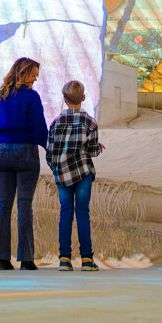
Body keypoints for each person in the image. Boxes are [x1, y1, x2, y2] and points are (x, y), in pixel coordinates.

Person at [0, 56, 47, 270]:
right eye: (33, 74)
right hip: (25, 152)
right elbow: (38, 126)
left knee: (4, 205)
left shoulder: (0, 96)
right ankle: (26, 259)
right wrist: (47, 146)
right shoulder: (31, 97)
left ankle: (2, 259)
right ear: (23, 73)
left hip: (2, 152)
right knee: (24, 205)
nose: (35, 79)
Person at [46, 80, 103, 272]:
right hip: (83, 173)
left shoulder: (56, 122)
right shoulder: (90, 122)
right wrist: (97, 147)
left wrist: (56, 168)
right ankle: (87, 259)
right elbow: (93, 151)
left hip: (62, 174)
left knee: (65, 213)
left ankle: (64, 259)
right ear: (84, 98)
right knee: (82, 213)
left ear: (64, 99)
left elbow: (50, 152)